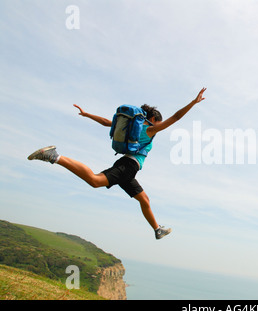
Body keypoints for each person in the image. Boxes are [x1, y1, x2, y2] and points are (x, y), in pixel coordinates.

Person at [28, 88, 207, 240]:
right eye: (158, 123)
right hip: (127, 167)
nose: (159, 127)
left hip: (128, 168)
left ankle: (157, 229)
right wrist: (193, 102)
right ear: (152, 119)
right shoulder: (150, 129)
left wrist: (87, 114)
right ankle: (55, 156)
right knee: (94, 180)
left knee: (144, 199)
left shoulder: (134, 128)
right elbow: (175, 117)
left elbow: (108, 122)